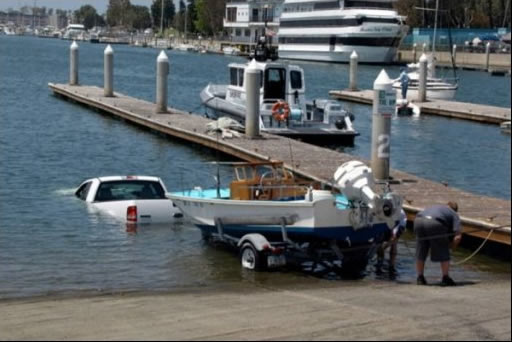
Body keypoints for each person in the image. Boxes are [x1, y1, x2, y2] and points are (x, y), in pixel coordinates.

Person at [414, 202, 462, 286]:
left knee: (421, 249)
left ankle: (420, 277)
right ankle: (445, 277)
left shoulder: (436, 207)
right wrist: (451, 247)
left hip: (418, 220)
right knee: (443, 249)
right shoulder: (454, 214)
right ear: (455, 210)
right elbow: (458, 236)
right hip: (435, 222)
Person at [377, 208, 407, 276]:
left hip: (399, 225)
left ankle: (391, 266)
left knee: (394, 243)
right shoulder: (381, 211)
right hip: (385, 223)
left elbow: (395, 234)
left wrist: (393, 237)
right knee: (379, 243)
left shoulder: (399, 214)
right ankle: (379, 262)